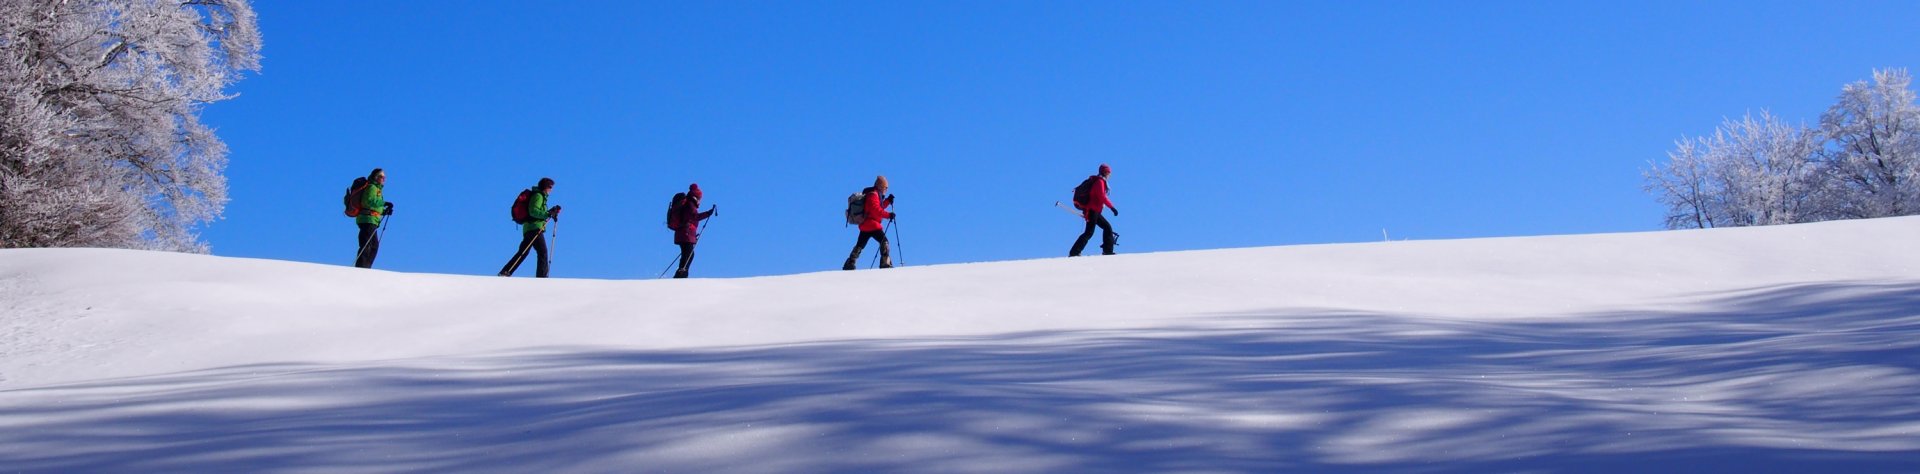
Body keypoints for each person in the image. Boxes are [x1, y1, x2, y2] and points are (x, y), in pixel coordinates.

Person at [499, 177, 561, 277]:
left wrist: (550, 212)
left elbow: (538, 212)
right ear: (545, 187)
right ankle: (541, 278)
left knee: (524, 252)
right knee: (542, 252)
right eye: (550, 187)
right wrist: (547, 214)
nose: (551, 190)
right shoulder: (538, 196)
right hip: (534, 228)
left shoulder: (539, 196)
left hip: (530, 227)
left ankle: (505, 271)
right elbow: (533, 211)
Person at [844, 175, 896, 270]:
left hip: (865, 225)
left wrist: (888, 201)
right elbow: (876, 210)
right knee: (884, 242)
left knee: (860, 245)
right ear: (880, 186)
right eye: (885, 187)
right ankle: (885, 262)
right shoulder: (873, 195)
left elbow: (879, 207)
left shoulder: (874, 194)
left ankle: (850, 263)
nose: (886, 190)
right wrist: (889, 215)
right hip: (873, 225)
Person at [1070, 164, 1119, 257]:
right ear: (1105, 172)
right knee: (1089, 232)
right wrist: (1112, 208)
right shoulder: (1099, 182)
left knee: (1106, 228)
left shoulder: (1100, 181)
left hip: (1095, 211)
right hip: (1092, 211)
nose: (1110, 175)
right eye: (1109, 173)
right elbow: (1102, 196)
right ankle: (1074, 252)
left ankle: (1107, 250)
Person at [671, 183, 717, 278]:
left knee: (687, 254)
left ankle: (681, 273)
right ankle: (681, 274)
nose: (700, 200)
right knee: (688, 254)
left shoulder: (688, 203)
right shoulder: (690, 204)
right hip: (685, 233)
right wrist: (708, 213)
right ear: (696, 196)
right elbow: (694, 217)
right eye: (700, 198)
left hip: (684, 233)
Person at [353, 168, 393, 268]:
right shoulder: (372, 187)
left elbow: (372, 205)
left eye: (385, 177)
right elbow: (368, 201)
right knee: (368, 245)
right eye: (381, 176)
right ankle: (362, 268)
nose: (384, 179)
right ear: (376, 177)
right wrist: (384, 203)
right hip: (368, 219)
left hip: (371, 219)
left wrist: (383, 211)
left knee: (373, 246)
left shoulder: (376, 189)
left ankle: (365, 267)